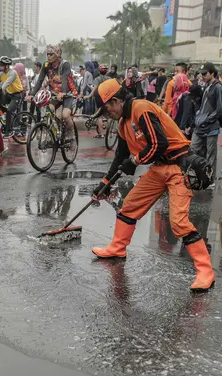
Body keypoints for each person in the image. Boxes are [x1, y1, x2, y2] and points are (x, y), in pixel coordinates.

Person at [89, 79, 215, 293]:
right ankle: (117, 248)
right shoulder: (122, 124)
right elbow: (120, 157)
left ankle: (205, 272)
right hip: (159, 168)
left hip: (179, 168)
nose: (106, 113)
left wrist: (136, 161)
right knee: (129, 206)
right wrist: (105, 184)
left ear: (117, 100)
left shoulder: (141, 109)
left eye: (107, 108)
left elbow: (159, 144)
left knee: (178, 223)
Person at [26, 45, 77, 136]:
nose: (48, 56)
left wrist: (63, 92)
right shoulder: (46, 65)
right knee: (49, 113)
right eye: (47, 54)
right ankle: (55, 134)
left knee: (65, 116)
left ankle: (71, 133)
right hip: (54, 94)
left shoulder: (65, 64)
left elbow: (64, 79)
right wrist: (32, 94)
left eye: (51, 54)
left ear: (57, 54)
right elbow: (40, 81)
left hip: (68, 94)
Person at [191, 62, 222, 170]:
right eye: (202, 74)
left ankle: (210, 179)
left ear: (212, 73)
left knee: (211, 154)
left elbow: (219, 109)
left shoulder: (217, 87)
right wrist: (200, 113)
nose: (203, 76)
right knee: (193, 148)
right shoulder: (207, 85)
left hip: (211, 126)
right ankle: (200, 175)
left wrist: (207, 119)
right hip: (201, 124)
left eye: (205, 74)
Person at [0, 56, 24, 136]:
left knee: (9, 110)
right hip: (8, 94)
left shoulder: (13, 73)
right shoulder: (1, 74)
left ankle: (9, 130)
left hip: (17, 94)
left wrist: (2, 89)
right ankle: (7, 118)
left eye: (1, 65)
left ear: (6, 66)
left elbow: (6, 84)